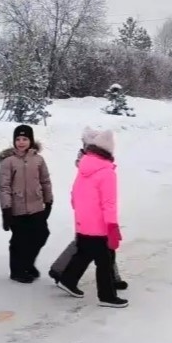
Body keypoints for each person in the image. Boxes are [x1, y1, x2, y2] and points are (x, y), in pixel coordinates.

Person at [54, 127, 127, 308]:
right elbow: (109, 203)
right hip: (100, 226)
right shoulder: (107, 172)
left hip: (83, 222)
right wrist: (112, 226)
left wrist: (81, 214)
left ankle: (68, 280)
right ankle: (107, 296)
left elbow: (74, 194)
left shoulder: (84, 166)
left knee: (84, 253)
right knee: (105, 261)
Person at [0, 124, 54, 283]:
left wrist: (48, 201)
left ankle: (27, 264)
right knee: (19, 241)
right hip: (17, 208)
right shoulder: (8, 162)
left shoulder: (38, 159)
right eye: (18, 139)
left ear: (31, 141)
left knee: (41, 234)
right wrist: (6, 209)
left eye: (25, 139)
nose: (21, 142)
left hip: (36, 206)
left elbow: (45, 181)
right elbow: (4, 187)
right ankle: (17, 271)